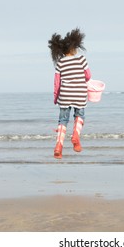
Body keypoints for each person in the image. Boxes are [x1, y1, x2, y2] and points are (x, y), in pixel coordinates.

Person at [48, 28, 91, 158]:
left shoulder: (60, 63)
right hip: (79, 93)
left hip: (65, 95)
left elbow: (57, 83)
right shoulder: (82, 60)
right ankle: (76, 136)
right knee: (79, 116)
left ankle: (58, 147)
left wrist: (56, 98)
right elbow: (88, 76)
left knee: (62, 120)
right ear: (75, 47)